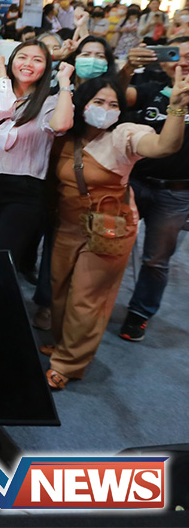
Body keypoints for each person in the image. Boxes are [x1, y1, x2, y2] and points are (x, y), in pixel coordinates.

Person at [43, 72, 188, 389]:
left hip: (107, 228)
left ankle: (68, 363)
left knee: (87, 298)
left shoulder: (124, 134)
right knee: (60, 291)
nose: (106, 109)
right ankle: (64, 344)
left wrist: (176, 108)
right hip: (68, 225)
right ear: (83, 104)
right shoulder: (66, 135)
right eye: (98, 102)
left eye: (113, 104)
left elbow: (164, 146)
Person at [0, 42, 75, 270]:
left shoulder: (50, 101)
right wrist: (2, 74)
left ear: (46, 68)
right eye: (22, 57)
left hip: (24, 189)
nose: (28, 64)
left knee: (2, 263)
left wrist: (64, 83)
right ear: (12, 61)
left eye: (37, 60)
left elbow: (61, 124)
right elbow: (2, 108)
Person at [117, 36, 189, 339]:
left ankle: (140, 313)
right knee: (109, 245)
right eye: (176, 55)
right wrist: (128, 67)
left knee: (157, 259)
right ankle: (94, 304)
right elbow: (117, 96)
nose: (182, 61)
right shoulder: (151, 89)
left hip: (177, 192)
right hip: (134, 182)